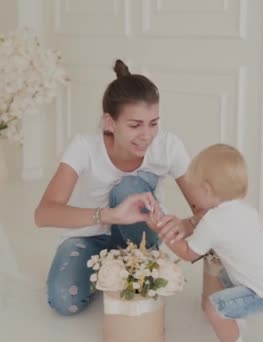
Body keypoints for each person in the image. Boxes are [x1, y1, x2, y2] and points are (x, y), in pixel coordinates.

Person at [34, 59, 203, 316]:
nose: (147, 135)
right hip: (88, 236)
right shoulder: (84, 148)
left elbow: (204, 209)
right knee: (62, 301)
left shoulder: (168, 147)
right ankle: (111, 269)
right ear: (110, 122)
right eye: (135, 125)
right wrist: (108, 216)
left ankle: (133, 265)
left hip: (140, 238)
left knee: (130, 187)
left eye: (153, 123)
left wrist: (185, 224)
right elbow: (44, 214)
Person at [150, 144, 263, 342]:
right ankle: (234, 320)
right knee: (224, 277)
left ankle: (234, 337)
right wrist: (186, 224)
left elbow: (188, 253)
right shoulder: (247, 210)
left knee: (213, 307)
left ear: (206, 189)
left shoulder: (213, 222)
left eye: (194, 188)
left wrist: (162, 231)